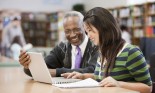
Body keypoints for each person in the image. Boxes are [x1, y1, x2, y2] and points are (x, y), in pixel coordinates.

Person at [61, 7, 152, 93]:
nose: (89, 36)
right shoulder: (102, 51)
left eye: (90, 30)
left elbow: (148, 88)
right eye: (87, 32)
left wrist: (118, 84)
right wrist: (83, 76)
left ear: (104, 28)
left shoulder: (130, 52)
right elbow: (102, 78)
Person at [19, 11, 98, 77]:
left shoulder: (96, 46)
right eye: (67, 31)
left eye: (76, 29)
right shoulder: (62, 47)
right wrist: (28, 66)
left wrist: (57, 72)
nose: (72, 35)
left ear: (85, 28)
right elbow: (41, 69)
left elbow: (93, 70)